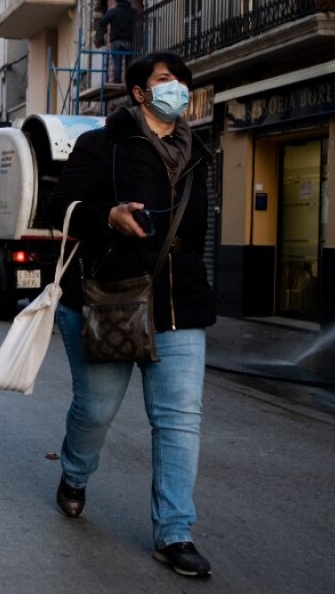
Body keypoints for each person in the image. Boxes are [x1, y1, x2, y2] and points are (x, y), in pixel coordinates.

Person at [46, 52, 215, 577]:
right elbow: (60, 210)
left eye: (182, 82)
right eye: (165, 81)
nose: (178, 89)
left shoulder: (197, 152)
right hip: (108, 299)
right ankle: (74, 475)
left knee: (178, 420)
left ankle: (174, 532)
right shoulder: (102, 145)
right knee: (96, 411)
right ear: (140, 93)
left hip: (177, 305)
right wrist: (108, 216)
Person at [99, 0, 136, 84]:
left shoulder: (113, 12)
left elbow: (102, 21)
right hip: (128, 40)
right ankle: (129, 81)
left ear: (117, 1)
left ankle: (117, 81)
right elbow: (138, 21)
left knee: (117, 62)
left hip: (116, 41)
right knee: (129, 62)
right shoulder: (131, 12)